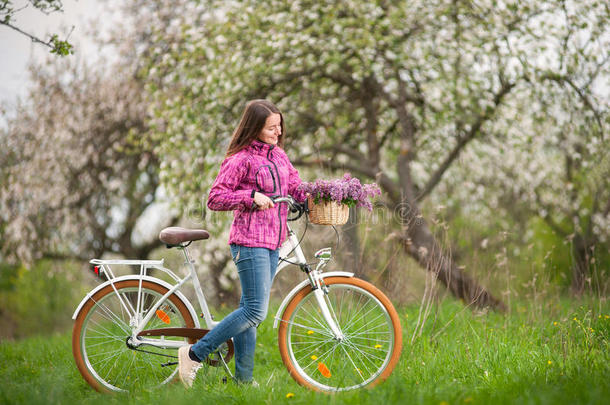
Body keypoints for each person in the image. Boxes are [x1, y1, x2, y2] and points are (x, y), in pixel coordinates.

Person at [178, 99, 307, 388]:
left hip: (274, 241)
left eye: (279, 126)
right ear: (255, 128)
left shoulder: (279, 156)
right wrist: (249, 197)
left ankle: (243, 381)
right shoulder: (241, 159)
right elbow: (215, 198)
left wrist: (319, 195)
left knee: (250, 310)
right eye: (271, 127)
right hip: (249, 242)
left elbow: (296, 186)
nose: (278, 132)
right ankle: (194, 354)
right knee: (254, 311)